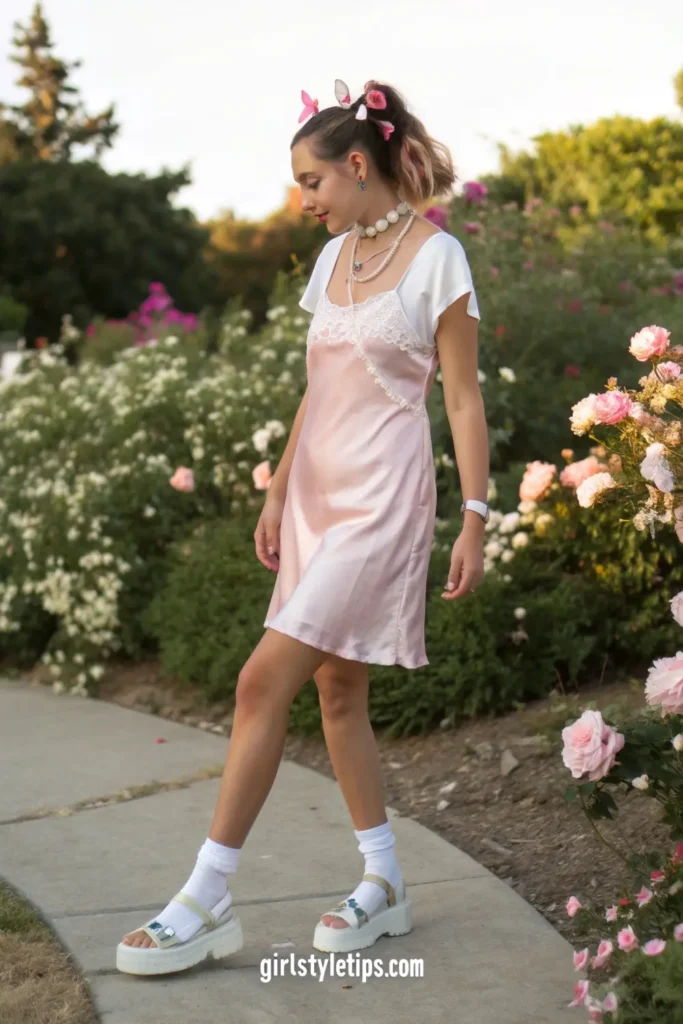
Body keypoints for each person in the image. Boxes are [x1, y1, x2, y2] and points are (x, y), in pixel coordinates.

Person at [116, 77, 489, 977]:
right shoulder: (330, 264)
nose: (303, 200)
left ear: (357, 165)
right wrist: (278, 490)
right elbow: (316, 391)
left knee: (258, 683)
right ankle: (384, 881)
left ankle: (206, 897)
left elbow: (462, 399)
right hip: (317, 497)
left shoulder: (438, 260)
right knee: (336, 691)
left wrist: (475, 517)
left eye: (310, 181)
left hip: (382, 500)